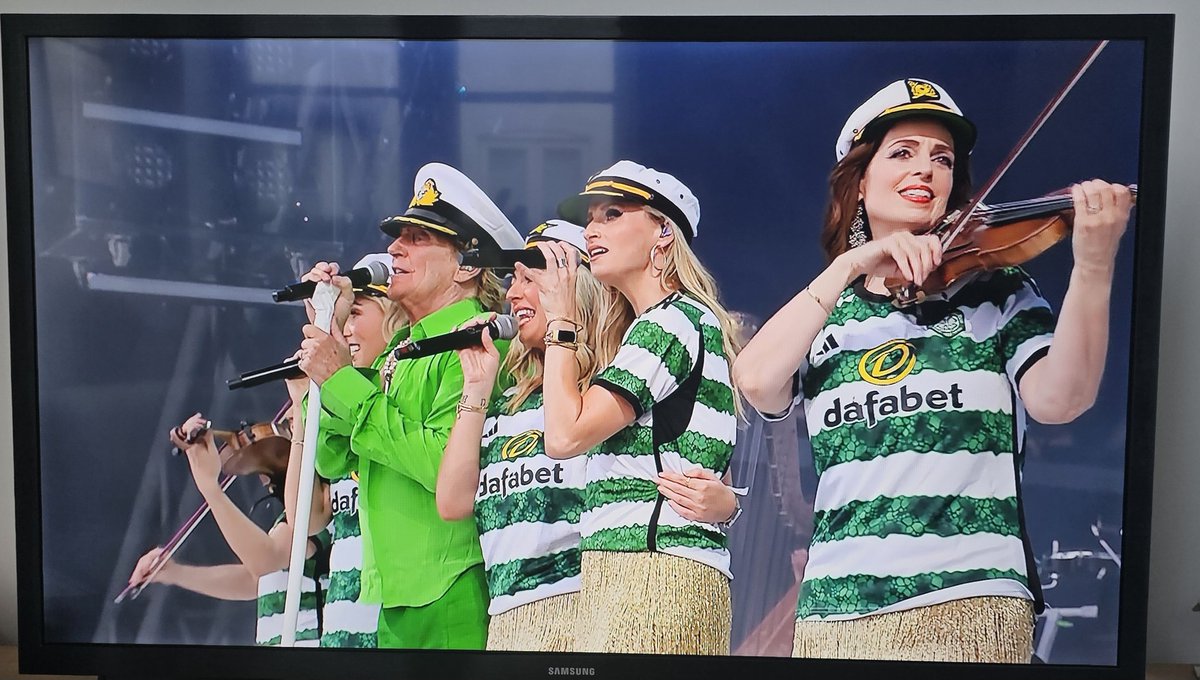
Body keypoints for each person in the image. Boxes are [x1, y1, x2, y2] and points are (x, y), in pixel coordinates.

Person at [732, 78, 1133, 662]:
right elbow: (755, 380)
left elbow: (1059, 400)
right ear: (859, 182)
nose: (926, 170)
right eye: (903, 153)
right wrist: (849, 265)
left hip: (969, 602)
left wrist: (1093, 264)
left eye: (942, 159)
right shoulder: (826, 311)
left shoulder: (994, 287)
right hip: (835, 609)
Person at [298, 162, 523, 650]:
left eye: (420, 238)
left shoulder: (481, 342)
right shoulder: (404, 348)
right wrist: (330, 329)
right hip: (394, 593)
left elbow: (441, 465)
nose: (396, 248)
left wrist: (341, 379)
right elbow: (333, 458)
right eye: (399, 237)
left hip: (454, 586)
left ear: (468, 264)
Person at [539, 161, 742, 654]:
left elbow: (564, 437)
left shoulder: (670, 323)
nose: (592, 229)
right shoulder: (671, 322)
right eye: (591, 218)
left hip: (652, 574)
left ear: (664, 232)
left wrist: (562, 322)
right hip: (646, 569)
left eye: (612, 214)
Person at [292, 253, 405, 649]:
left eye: (356, 313)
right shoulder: (345, 404)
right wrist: (326, 324)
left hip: (390, 620)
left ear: (395, 318)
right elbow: (303, 516)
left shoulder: (396, 402)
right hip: (343, 626)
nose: (350, 329)